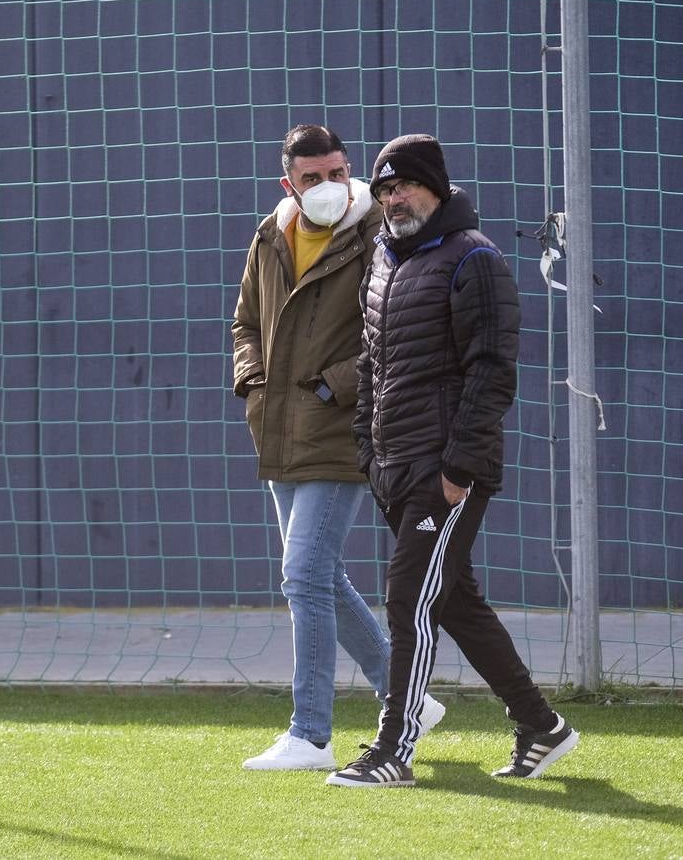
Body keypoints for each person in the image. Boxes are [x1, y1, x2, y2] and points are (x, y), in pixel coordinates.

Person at [326, 134, 579, 788]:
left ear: (436, 188)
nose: (393, 198)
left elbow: (492, 372)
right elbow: (371, 364)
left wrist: (458, 468)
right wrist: (368, 449)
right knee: (453, 600)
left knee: (408, 596)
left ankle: (393, 750)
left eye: (404, 185)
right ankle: (542, 726)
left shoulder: (476, 259)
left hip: (446, 472)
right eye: (383, 189)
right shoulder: (384, 260)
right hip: (394, 466)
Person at [232, 125, 444, 772]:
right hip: (277, 429)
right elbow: (245, 321)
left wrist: (333, 388)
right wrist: (251, 379)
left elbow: (401, 327)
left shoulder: (378, 236)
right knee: (320, 575)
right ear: (287, 183)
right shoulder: (270, 237)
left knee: (301, 576)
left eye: (337, 172)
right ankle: (406, 694)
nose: (327, 187)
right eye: (311, 177)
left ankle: (310, 733)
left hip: (344, 429)